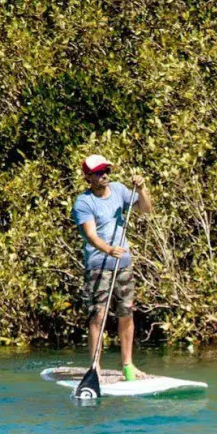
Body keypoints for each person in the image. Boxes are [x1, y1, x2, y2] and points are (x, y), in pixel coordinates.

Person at [71, 154, 155, 379]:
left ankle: (128, 365)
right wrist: (108, 249)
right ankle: (95, 367)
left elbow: (146, 209)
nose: (104, 175)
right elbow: (91, 235)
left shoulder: (119, 190)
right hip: (98, 265)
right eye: (99, 172)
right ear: (88, 177)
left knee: (126, 313)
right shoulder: (84, 202)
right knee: (98, 315)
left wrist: (142, 190)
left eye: (106, 170)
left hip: (123, 264)